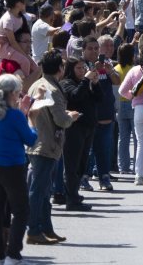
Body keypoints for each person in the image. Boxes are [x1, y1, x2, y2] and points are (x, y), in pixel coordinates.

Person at [25, 51, 79, 245]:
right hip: (46, 144)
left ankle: (46, 228)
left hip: (36, 142)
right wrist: (70, 117)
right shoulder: (52, 90)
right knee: (39, 190)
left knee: (44, 190)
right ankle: (33, 229)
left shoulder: (35, 85)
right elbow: (60, 120)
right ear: (60, 69)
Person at [0, 74, 39, 264]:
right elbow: (31, 139)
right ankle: (13, 253)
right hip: (12, 166)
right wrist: (32, 122)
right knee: (22, 210)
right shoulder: (14, 114)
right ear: (14, 93)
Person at [60, 56, 101, 211]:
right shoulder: (67, 83)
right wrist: (85, 80)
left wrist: (95, 84)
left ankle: (75, 195)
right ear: (71, 69)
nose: (83, 71)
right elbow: (76, 96)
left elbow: (99, 99)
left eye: (84, 68)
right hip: (74, 128)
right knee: (72, 165)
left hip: (88, 128)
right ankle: (71, 198)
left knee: (82, 163)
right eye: (78, 68)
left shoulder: (85, 83)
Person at [84, 35, 120, 191]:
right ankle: (83, 178)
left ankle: (104, 177)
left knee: (104, 149)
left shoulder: (108, 64)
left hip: (106, 114)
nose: (94, 51)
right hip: (89, 115)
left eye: (96, 48)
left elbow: (117, 81)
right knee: (87, 151)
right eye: (90, 48)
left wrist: (109, 70)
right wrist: (93, 70)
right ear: (84, 50)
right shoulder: (82, 65)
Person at [119, 45, 143, 185]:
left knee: (142, 144)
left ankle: (138, 176)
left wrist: (132, 97)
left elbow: (122, 91)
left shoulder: (134, 71)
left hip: (139, 108)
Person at [0, 0, 37, 78]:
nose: (25, 3)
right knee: (25, 61)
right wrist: (25, 55)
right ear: (17, 3)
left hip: (12, 45)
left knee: (34, 66)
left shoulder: (19, 15)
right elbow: (12, 42)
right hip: (4, 46)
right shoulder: (8, 19)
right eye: (23, 1)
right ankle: (25, 85)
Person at [113, 44, 136, 175]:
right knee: (136, 136)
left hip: (119, 105)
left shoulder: (116, 69)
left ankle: (123, 166)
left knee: (123, 137)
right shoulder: (134, 69)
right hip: (132, 102)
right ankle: (137, 166)